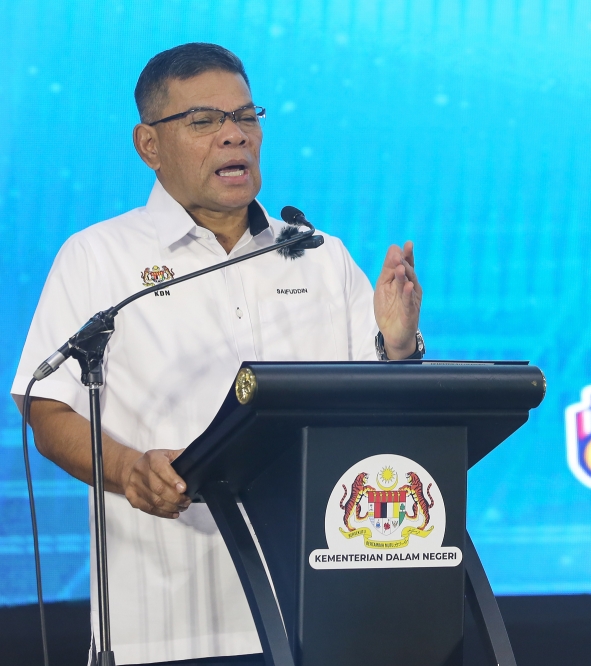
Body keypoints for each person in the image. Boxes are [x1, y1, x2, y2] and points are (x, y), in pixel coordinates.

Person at [11, 43, 424, 665]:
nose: (234, 136)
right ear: (149, 145)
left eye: (246, 117)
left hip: (320, 609)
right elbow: (48, 410)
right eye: (204, 122)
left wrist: (397, 347)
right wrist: (128, 470)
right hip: (168, 622)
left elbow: (376, 416)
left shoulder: (318, 254)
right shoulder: (99, 257)